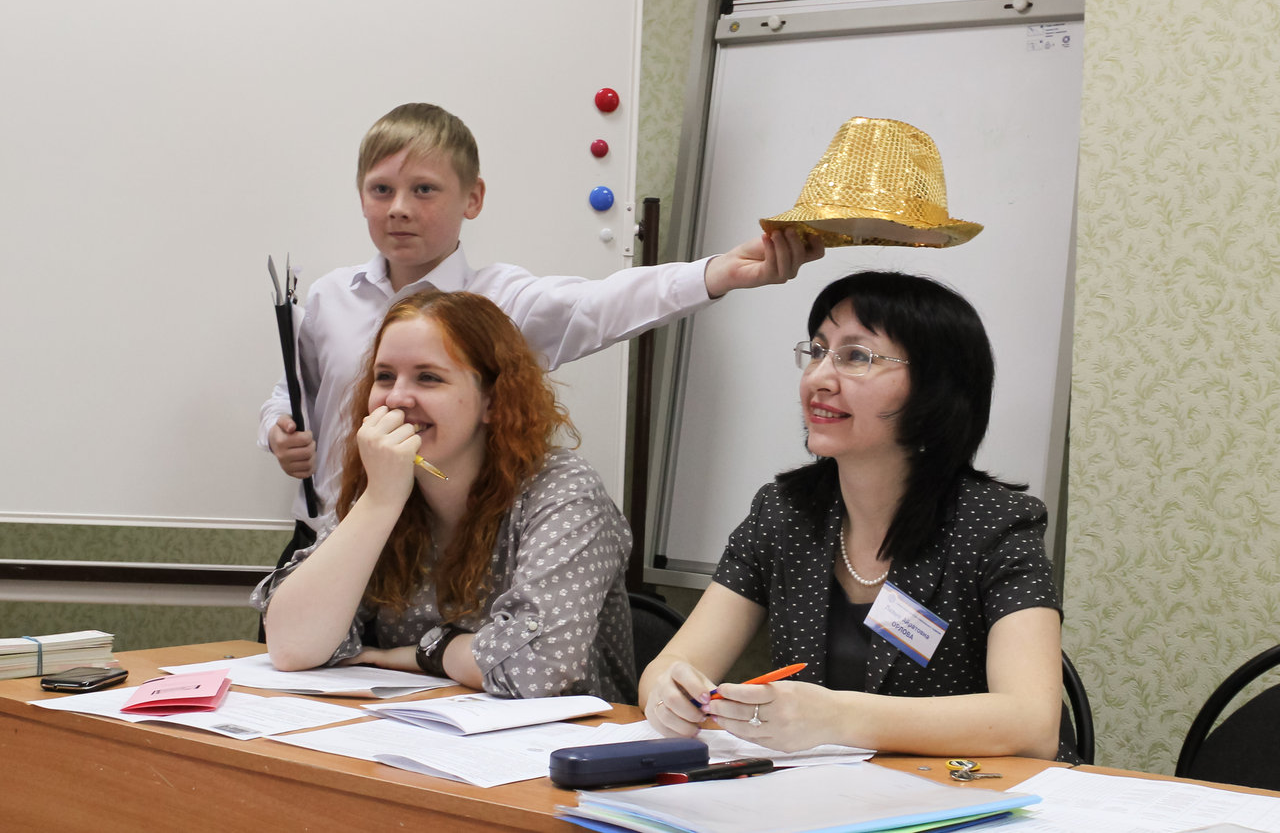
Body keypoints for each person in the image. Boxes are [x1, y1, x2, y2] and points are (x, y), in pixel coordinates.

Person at [259, 102, 823, 568]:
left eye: (424, 189)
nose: (399, 209)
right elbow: (295, 391)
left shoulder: (498, 301)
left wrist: (717, 272)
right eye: (381, 189)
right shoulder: (330, 296)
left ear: (473, 198)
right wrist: (277, 428)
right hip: (324, 543)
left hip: (435, 560)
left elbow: (604, 302)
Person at [639, 271, 1070, 761]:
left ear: (934, 388)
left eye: (856, 357)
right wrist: (670, 694)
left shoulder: (996, 524)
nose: (819, 378)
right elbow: (670, 666)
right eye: (818, 351)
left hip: (969, 793)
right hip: (823, 793)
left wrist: (837, 718)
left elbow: (1033, 724)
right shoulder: (783, 513)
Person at [253, 290, 636, 702]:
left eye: (428, 378)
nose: (396, 398)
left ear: (492, 401)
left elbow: (539, 668)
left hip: (568, 737)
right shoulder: (384, 481)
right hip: (417, 726)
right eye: (385, 376)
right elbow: (292, 646)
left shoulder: (564, 489)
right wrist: (379, 502)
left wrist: (426, 653)